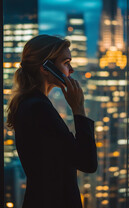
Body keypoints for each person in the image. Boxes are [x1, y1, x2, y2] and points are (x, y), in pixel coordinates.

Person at [7, 34, 98, 208]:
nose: (70, 69)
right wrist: (78, 109)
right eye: (66, 62)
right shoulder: (39, 109)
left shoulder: (30, 104)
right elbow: (88, 162)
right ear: (46, 67)